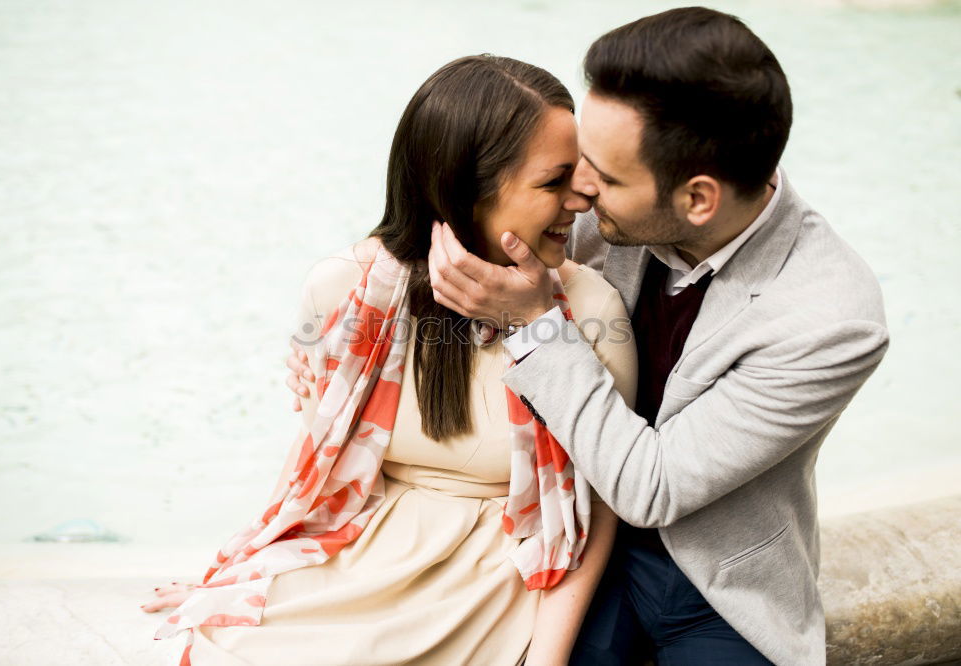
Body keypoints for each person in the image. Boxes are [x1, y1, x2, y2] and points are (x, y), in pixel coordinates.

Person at [286, 7, 892, 666]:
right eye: (572, 165)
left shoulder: (832, 318)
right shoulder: (603, 214)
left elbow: (650, 487)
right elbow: (461, 221)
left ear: (697, 200)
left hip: (717, 586)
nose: (577, 190)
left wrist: (535, 324)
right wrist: (338, 336)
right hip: (570, 543)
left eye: (602, 175)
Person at [146, 54, 638, 665]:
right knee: (227, 644)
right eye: (551, 183)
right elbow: (315, 464)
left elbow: (596, 511)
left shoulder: (588, 307)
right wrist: (243, 566)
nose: (579, 201)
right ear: (467, 188)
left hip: (502, 566)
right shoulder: (346, 289)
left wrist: (548, 656)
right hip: (369, 542)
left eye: (577, 176)